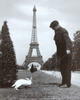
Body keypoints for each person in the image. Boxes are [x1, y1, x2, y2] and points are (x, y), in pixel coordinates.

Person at [50, 20, 72, 87]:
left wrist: (68, 49)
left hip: (66, 53)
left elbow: (67, 40)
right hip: (61, 54)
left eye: (53, 28)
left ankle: (67, 83)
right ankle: (63, 82)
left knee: (66, 68)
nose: (53, 29)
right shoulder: (57, 32)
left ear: (57, 26)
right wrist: (58, 54)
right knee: (62, 68)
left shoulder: (63, 31)